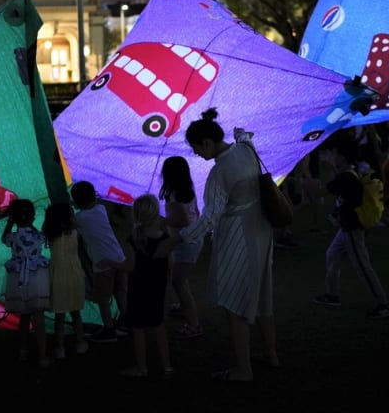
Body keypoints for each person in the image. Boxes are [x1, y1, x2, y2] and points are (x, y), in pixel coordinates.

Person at [176, 108, 278, 381]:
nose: (197, 154)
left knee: (235, 303)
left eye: (197, 147)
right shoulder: (245, 148)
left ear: (207, 142)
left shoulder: (219, 172)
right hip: (261, 229)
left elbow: (210, 216)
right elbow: (244, 134)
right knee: (262, 294)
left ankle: (243, 369)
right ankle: (271, 354)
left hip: (237, 236)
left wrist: (180, 236)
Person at [312, 138, 389, 320]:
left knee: (363, 266)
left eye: (333, 154)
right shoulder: (351, 173)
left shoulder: (346, 177)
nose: (330, 156)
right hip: (347, 227)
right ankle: (332, 295)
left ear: (341, 156)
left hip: (352, 227)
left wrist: (305, 180)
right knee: (332, 255)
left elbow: (320, 191)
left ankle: (383, 304)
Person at [118, 193, 174, 378]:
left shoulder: (133, 240)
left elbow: (130, 266)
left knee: (138, 329)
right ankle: (167, 366)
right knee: (159, 326)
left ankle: (142, 367)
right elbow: (170, 265)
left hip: (138, 290)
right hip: (157, 289)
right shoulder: (165, 238)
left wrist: (112, 263)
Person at [70, 180, 128, 344]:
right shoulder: (101, 209)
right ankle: (126, 323)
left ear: (76, 201)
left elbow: (70, 225)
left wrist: (71, 206)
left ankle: (109, 329)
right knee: (120, 292)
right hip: (119, 258)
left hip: (103, 263)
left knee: (103, 298)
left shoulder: (79, 217)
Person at [1, 198, 52, 368]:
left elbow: (4, 239)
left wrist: (10, 221)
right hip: (36, 280)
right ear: (32, 216)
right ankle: (43, 355)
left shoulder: (13, 237)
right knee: (39, 317)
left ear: (14, 218)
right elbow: (41, 236)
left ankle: (23, 351)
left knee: (24, 316)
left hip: (19, 281)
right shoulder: (37, 235)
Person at [158, 156, 203, 340]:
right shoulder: (188, 190)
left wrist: (161, 220)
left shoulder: (175, 195)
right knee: (180, 279)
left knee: (178, 281)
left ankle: (194, 325)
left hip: (184, 242)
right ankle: (185, 307)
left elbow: (182, 220)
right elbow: (195, 214)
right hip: (191, 240)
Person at [41, 202, 88, 360]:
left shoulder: (50, 234)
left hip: (58, 274)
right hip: (74, 273)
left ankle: (60, 348)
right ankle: (80, 343)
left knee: (59, 316)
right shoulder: (75, 232)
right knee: (76, 312)